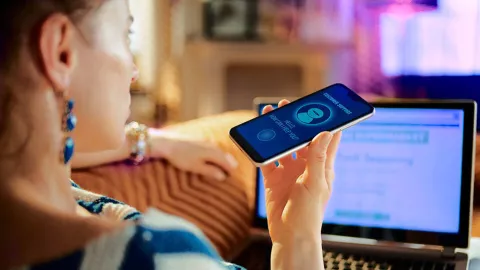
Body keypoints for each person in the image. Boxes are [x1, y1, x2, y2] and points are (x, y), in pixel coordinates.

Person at [0, 1, 342, 270]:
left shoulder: (37, 187)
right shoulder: (157, 256)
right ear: (61, 52)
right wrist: (297, 238)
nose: (134, 71)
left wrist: (152, 142)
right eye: (125, 36)